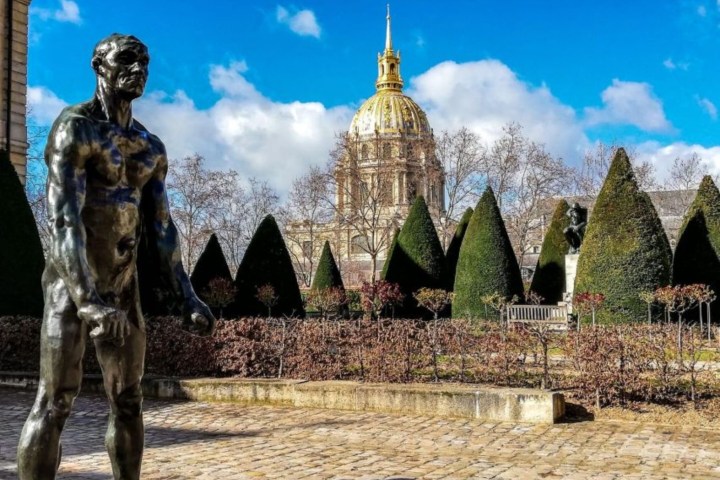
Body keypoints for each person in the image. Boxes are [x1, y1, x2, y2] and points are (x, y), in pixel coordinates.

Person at [17, 34, 215, 480]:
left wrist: (187, 294)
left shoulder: (150, 147)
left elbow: (161, 228)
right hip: (73, 286)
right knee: (54, 402)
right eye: (127, 59)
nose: (139, 68)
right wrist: (88, 301)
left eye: (145, 61)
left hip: (123, 288)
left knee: (129, 400)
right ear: (98, 65)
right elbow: (64, 222)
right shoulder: (75, 128)